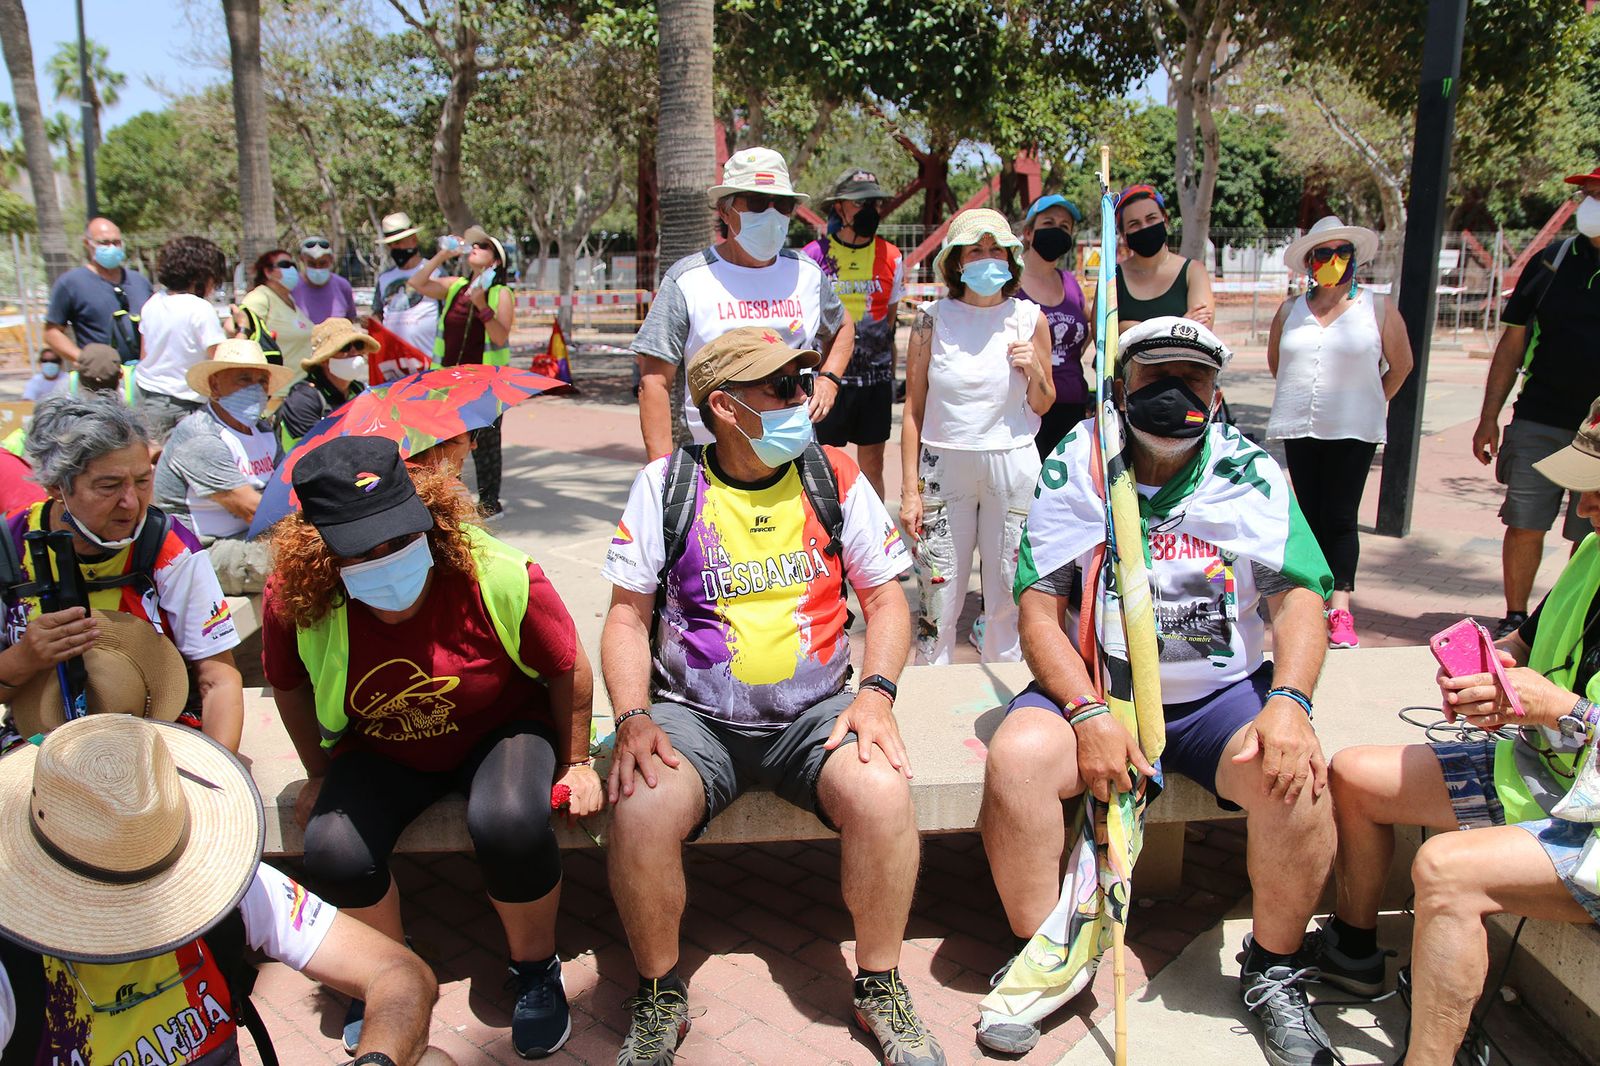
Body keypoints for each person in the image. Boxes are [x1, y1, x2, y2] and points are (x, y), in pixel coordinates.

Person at [979, 318, 1338, 1065]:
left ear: (1216, 390)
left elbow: (1299, 596)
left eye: (1195, 379)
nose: (1176, 394)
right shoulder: (1079, 461)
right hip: (1096, 682)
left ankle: (1273, 971)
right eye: (1155, 378)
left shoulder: (1248, 472)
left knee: (1297, 780)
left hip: (1218, 699)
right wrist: (1084, 713)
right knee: (1016, 759)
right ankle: (1047, 954)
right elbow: (1038, 607)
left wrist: (1290, 702)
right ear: (1120, 386)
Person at [600, 327, 942, 1066]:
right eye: (783, 387)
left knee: (883, 793)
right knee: (641, 805)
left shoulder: (836, 476)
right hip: (693, 720)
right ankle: (659, 995)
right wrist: (631, 719)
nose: (805, 396)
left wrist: (877, 693)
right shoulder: (668, 485)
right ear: (725, 406)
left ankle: (879, 985)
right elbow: (625, 618)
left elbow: (887, 601)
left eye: (806, 378)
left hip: (814, 716)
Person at [264, 435, 599, 1058]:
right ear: (320, 550)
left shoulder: (497, 570)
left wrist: (578, 760)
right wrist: (317, 773)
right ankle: (385, 975)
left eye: (399, 537)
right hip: (379, 744)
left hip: (498, 729)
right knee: (333, 849)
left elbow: (567, 665)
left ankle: (536, 969)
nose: (387, 559)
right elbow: (288, 686)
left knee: (509, 823)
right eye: (362, 550)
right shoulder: (296, 596)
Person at [1324, 401, 1600, 1066]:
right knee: (1354, 775)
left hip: (1590, 824)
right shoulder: (1594, 549)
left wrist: (1561, 709)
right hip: (1549, 774)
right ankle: (1354, 955)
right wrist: (1494, 668)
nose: (1583, 509)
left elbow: (1567, 709)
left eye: (1598, 491)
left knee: (1445, 873)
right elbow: (1527, 640)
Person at [0, 714, 455, 1066]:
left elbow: (398, 972)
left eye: (147, 887)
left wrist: (375, 1060)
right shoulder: (10, 971)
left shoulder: (219, 886)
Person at [1, 395, 246, 752]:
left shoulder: (169, 546)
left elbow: (218, 677)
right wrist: (23, 659)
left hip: (156, 737)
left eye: (143, 480)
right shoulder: (9, 548)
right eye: (108, 486)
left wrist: (222, 772)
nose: (131, 502)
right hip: (37, 743)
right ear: (57, 487)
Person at [900, 208, 1053, 664]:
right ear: (956, 262)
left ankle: (1007, 696)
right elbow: (914, 409)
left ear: (1010, 259)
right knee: (938, 592)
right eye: (976, 250)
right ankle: (932, 697)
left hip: (1013, 463)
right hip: (944, 468)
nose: (988, 259)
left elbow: (1044, 401)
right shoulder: (930, 320)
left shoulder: (1030, 319)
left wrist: (1036, 369)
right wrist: (910, 489)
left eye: (996, 250)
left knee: (1009, 587)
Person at [633, 146, 854, 458]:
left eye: (783, 205)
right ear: (725, 210)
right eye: (758, 202)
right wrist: (661, 474)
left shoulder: (806, 273)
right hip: (714, 463)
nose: (772, 214)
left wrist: (830, 380)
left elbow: (843, 325)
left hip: (795, 456)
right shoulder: (688, 280)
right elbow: (653, 382)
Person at [1267, 216, 1414, 650]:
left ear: (1353, 259)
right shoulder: (1289, 310)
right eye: (1323, 254)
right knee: (1309, 514)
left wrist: (1372, 400)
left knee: (1340, 516)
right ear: (1309, 262)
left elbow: (1400, 365)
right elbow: (1280, 365)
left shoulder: (1378, 308)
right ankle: (1311, 600)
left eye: (1340, 253)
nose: (1332, 261)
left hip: (1354, 429)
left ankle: (1342, 607)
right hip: (1302, 425)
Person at [1473, 163, 1600, 638]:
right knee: (1524, 518)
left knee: (1590, 533)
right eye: (1587, 195)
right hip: (1540, 418)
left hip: (1599, 431)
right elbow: (1511, 344)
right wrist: (1489, 416)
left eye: (1598, 195)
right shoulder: (1552, 261)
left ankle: (1574, 618)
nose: (1589, 205)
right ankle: (1517, 616)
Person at [152, 340, 295, 594]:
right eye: (244, 379)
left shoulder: (262, 431)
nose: (256, 388)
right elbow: (253, 510)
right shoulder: (200, 436)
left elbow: (285, 489)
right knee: (306, 560)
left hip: (250, 537)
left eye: (262, 381)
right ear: (215, 385)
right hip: (200, 550)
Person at [801, 167, 905, 499]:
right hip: (827, 382)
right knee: (821, 463)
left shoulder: (892, 255)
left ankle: (873, 537)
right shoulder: (813, 256)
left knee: (872, 465)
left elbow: (889, 320)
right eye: (860, 204)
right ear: (840, 208)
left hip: (873, 383)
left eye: (874, 204)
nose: (870, 211)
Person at [409, 225, 517, 516]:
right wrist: (443, 254)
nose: (475, 249)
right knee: (444, 440)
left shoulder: (500, 293)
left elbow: (499, 336)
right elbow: (418, 282)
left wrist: (482, 305)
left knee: (485, 443)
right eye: (474, 245)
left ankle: (490, 503)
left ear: (496, 261)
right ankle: (446, 495)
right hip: (447, 382)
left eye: (483, 247)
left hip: (485, 385)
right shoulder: (456, 285)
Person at [135, 235, 238, 442]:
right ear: (202, 275)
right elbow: (219, 361)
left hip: (148, 398)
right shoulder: (199, 309)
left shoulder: (153, 303)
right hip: (186, 405)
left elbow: (144, 354)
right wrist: (238, 332)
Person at [1019, 195, 1094, 457]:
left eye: (1064, 226)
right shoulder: (1010, 285)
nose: (1057, 230)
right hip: (1027, 413)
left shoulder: (1070, 282)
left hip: (1073, 407)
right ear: (1029, 232)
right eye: (1049, 222)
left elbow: (1089, 326)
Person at [42, 216, 153, 365]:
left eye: (116, 242)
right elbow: (52, 333)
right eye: (104, 243)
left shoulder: (139, 281)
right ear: (87, 244)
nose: (112, 247)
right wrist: (85, 360)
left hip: (144, 377)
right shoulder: (71, 283)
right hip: (101, 379)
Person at [1113, 184, 1213, 334]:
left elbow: (1199, 334)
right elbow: (1105, 337)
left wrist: (1129, 328)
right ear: (1123, 233)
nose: (1145, 227)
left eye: (1151, 218)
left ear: (1165, 220)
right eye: (1134, 224)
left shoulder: (1193, 272)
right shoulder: (1112, 278)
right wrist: (1180, 324)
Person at [276, 317, 373, 451]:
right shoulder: (303, 398)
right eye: (345, 347)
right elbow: (318, 453)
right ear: (324, 360)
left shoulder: (360, 390)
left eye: (358, 345)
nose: (354, 352)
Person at [373, 211, 443, 357]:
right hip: (394, 363)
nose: (395, 248)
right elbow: (378, 313)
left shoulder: (436, 273)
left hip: (429, 360)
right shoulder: (384, 278)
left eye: (398, 243)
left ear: (413, 240)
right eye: (390, 245)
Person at [240, 247, 316, 374]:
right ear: (267, 272)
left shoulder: (291, 300)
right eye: (285, 265)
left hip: (301, 387)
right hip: (278, 388)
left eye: (293, 266)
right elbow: (240, 329)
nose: (291, 269)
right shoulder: (259, 297)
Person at [294, 235, 359, 325]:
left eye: (322, 263)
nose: (317, 268)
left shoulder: (343, 286)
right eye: (312, 264)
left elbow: (350, 321)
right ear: (302, 260)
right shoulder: (292, 287)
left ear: (331, 260)